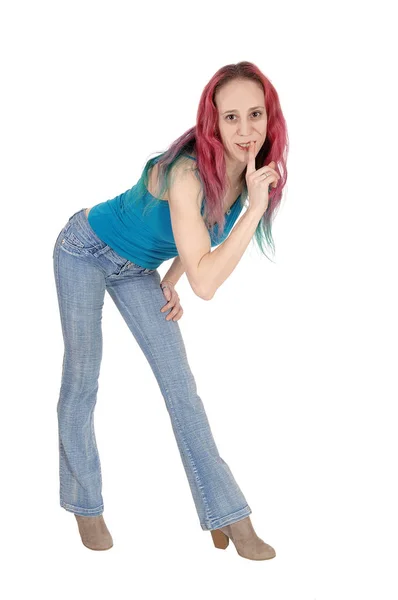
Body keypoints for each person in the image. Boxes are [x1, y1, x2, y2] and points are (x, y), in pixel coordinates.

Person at [52, 60, 288, 559]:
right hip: (84, 250)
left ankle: (230, 518)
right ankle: (84, 506)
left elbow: (193, 251)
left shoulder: (248, 177)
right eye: (231, 118)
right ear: (212, 120)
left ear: (271, 119)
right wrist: (254, 211)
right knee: (83, 377)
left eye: (255, 114)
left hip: (138, 270)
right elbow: (209, 280)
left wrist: (171, 279)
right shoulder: (187, 174)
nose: (245, 130)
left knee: (182, 391)